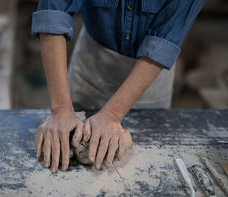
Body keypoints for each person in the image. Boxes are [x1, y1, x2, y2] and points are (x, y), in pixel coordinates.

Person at [31, 0, 206, 172]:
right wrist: (60, 108)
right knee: (65, 132)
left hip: (149, 74)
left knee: (146, 156)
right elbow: (53, 13)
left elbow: (165, 39)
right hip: (93, 60)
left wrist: (111, 114)